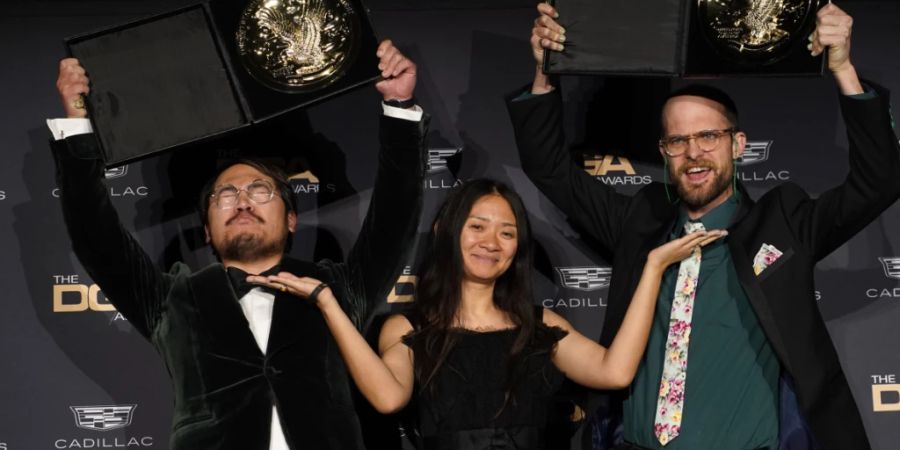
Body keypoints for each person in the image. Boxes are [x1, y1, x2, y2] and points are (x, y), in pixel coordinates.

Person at [509, 2, 900, 449]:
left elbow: (878, 182)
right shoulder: (639, 221)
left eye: (708, 137)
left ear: (737, 145)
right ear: (664, 150)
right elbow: (549, 168)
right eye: (678, 140)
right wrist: (546, 71)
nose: (693, 152)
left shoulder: (784, 224)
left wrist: (844, 70)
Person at [50, 40, 427, 450]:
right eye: (225, 196)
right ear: (207, 231)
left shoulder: (337, 290)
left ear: (291, 219)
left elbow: (395, 216)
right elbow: (95, 234)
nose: (243, 200)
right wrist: (77, 123)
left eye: (260, 190)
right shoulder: (171, 300)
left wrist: (400, 109)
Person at [249, 179, 727, 449]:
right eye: (477, 226)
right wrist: (327, 302)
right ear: (447, 231)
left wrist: (653, 267)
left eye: (506, 233)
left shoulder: (541, 326)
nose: (490, 243)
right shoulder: (408, 327)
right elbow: (388, 398)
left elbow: (615, 370)